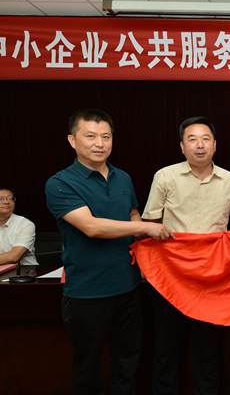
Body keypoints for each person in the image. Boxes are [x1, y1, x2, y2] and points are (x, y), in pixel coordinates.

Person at [45, 109, 173, 395]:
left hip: (128, 287)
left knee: (127, 364)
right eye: (90, 136)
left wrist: (144, 228)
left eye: (106, 136)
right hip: (86, 293)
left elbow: (132, 212)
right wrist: (145, 228)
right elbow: (91, 227)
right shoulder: (60, 183)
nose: (99, 143)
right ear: (72, 140)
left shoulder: (122, 177)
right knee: (88, 369)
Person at [142, 116, 230, 395]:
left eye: (205, 139)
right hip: (170, 277)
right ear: (182, 146)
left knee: (208, 351)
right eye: (192, 139)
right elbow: (150, 224)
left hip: (212, 279)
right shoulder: (164, 176)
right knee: (166, 349)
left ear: (215, 145)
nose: (199, 145)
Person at [0, 187, 37, 266]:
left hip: (24, 271)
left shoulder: (25, 224)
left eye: (11, 198)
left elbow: (14, 257)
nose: (6, 202)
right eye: (1, 199)